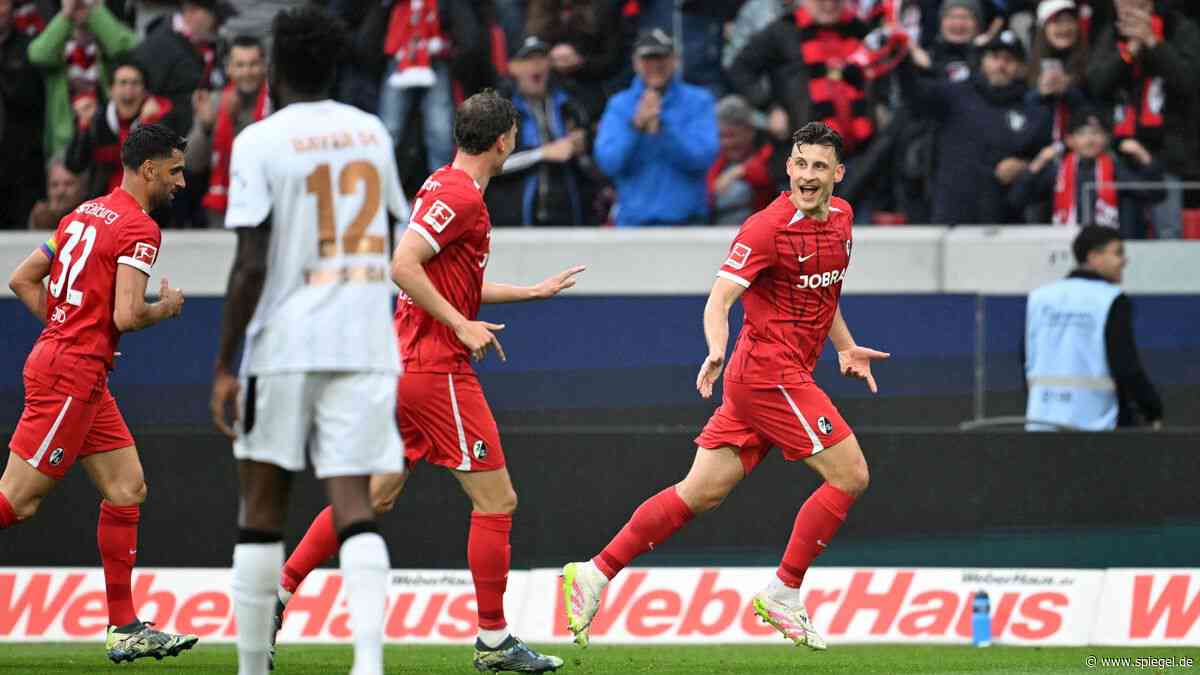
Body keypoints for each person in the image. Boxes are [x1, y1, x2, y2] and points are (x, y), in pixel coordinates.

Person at [272, 91, 579, 674]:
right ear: (504, 140)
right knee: (497, 500)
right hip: (434, 370)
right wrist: (460, 325)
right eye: (514, 132)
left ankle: (277, 595)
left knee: (375, 495)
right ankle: (493, 641)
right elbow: (402, 264)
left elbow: (447, 281)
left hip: (408, 364)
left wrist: (530, 292)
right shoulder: (462, 196)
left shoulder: (445, 184)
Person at [561, 122, 889, 650]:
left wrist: (845, 347)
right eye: (800, 164)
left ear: (838, 174)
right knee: (850, 475)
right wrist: (716, 346)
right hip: (766, 375)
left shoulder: (844, 220)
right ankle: (784, 591)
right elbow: (718, 300)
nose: (808, 176)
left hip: (777, 378)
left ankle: (595, 572)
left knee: (700, 493)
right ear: (787, 167)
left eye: (819, 167)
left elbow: (823, 296)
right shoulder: (764, 229)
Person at [207, 8, 405, 675]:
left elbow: (251, 261)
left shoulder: (261, 140)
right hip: (364, 340)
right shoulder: (372, 133)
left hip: (287, 342)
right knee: (353, 500)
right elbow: (390, 227)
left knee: (261, 505)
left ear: (275, 68)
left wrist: (225, 362)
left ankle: (253, 668)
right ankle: (370, 662)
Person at [0, 123, 195, 662]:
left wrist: (70, 326)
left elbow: (22, 279)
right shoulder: (139, 229)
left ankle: (124, 627)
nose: (181, 182)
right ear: (150, 168)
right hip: (71, 375)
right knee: (17, 502)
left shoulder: (82, 213)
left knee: (127, 488)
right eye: (175, 171)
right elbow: (128, 314)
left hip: (77, 369)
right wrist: (168, 307)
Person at [898, 29, 1051, 224]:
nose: (1001, 65)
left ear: (1021, 67)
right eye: (995, 57)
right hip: (952, 217)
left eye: (1009, 60)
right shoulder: (955, 94)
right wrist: (901, 60)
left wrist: (1024, 167)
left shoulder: (1034, 113)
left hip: (1006, 222)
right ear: (983, 62)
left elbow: (1046, 160)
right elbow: (914, 95)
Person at [1025, 225, 1163, 430]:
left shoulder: (1039, 297)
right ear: (1093, 257)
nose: (1124, 261)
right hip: (1096, 423)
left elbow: (1028, 358)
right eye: (1118, 253)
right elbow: (1125, 364)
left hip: (1041, 419)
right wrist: (1152, 408)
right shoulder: (1110, 300)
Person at [1087, 0, 1200, 239]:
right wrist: (1130, 51)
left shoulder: (1179, 28)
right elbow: (1097, 83)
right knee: (1122, 231)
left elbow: (1188, 81)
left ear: (1150, 5)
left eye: (1137, 6)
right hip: (1122, 150)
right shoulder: (1111, 33)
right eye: (1123, 7)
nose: (1129, 13)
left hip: (1170, 152)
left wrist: (1153, 42)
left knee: (1168, 232)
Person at [594, 29, 717, 226]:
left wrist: (663, 128)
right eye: (648, 59)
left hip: (688, 223)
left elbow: (703, 158)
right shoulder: (620, 105)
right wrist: (635, 126)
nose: (655, 65)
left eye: (661, 57)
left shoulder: (699, 101)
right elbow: (609, 163)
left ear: (675, 60)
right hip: (634, 224)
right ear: (635, 63)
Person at [1009, 108, 1163, 236]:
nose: (1090, 140)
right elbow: (1017, 200)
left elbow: (1156, 194)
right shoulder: (1057, 171)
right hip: (1063, 244)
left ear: (1107, 139)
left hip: (1107, 247)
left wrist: (1143, 155)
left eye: (1096, 133)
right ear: (1070, 140)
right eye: (1082, 134)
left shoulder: (1116, 169)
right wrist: (1037, 164)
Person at [488, 35, 590, 227]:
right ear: (512, 67)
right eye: (527, 59)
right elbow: (490, 164)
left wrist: (583, 147)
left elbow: (593, 165)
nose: (536, 65)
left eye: (542, 58)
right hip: (517, 222)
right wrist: (541, 154)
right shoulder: (498, 110)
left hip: (569, 217)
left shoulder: (569, 105)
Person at [27, 0, 139, 161]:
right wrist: (66, 15)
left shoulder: (106, 38)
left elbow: (130, 46)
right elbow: (38, 54)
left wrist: (95, 11)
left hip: (105, 135)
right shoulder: (58, 41)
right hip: (65, 139)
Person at [65, 56, 179, 201]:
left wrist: (148, 124)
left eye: (135, 83)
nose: (128, 90)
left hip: (148, 208)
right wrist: (83, 127)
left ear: (144, 90)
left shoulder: (161, 117)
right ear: (111, 90)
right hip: (105, 206)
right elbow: (74, 165)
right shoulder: (98, 120)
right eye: (123, 83)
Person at [186, 34, 269, 228]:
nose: (247, 72)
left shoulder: (276, 103)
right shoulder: (214, 102)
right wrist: (206, 127)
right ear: (229, 69)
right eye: (240, 65)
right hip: (223, 208)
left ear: (265, 67)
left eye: (253, 64)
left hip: (267, 202)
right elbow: (191, 163)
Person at [708, 94, 776, 226]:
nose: (727, 143)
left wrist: (740, 171)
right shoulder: (716, 159)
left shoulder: (767, 153)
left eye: (732, 136)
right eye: (722, 136)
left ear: (750, 132)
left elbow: (766, 175)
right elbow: (710, 191)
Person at [27, 155, 86, 229]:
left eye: (68, 184)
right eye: (54, 185)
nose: (60, 191)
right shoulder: (41, 214)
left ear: (82, 187)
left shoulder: (93, 216)